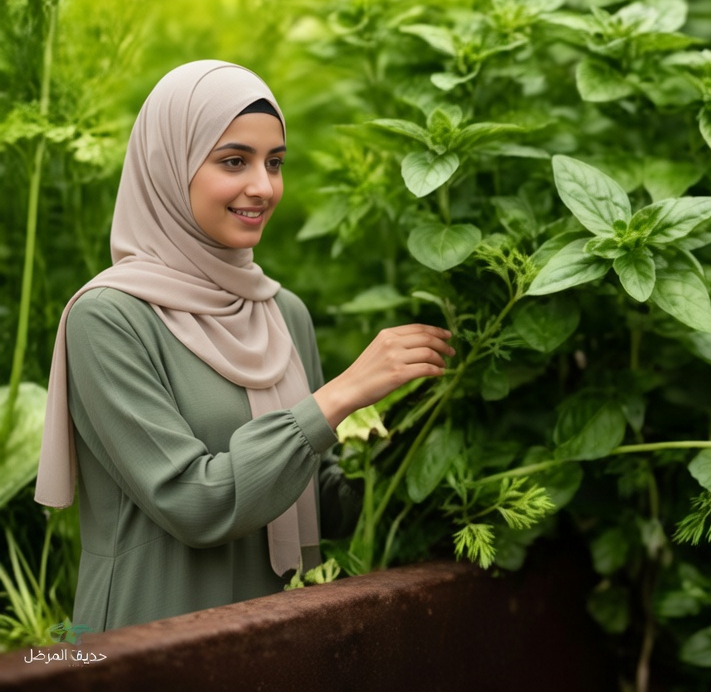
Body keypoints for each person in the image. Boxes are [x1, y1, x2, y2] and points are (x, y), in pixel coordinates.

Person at [33, 60, 455, 632]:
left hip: (284, 636)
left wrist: (424, 423)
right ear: (169, 167)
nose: (263, 186)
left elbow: (324, 501)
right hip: (156, 640)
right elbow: (193, 502)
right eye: (234, 161)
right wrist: (341, 395)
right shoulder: (109, 319)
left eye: (275, 163)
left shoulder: (283, 313)